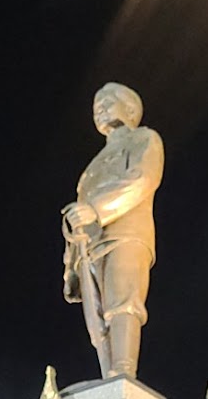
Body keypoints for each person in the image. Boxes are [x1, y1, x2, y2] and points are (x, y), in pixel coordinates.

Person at [62, 81, 164, 380]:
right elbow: (78, 212)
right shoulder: (91, 168)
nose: (100, 108)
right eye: (96, 105)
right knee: (98, 322)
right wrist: (70, 268)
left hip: (126, 232)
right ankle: (110, 379)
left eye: (108, 101)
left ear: (131, 109)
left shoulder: (144, 139)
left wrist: (97, 209)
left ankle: (123, 373)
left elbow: (141, 179)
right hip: (89, 245)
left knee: (123, 304)